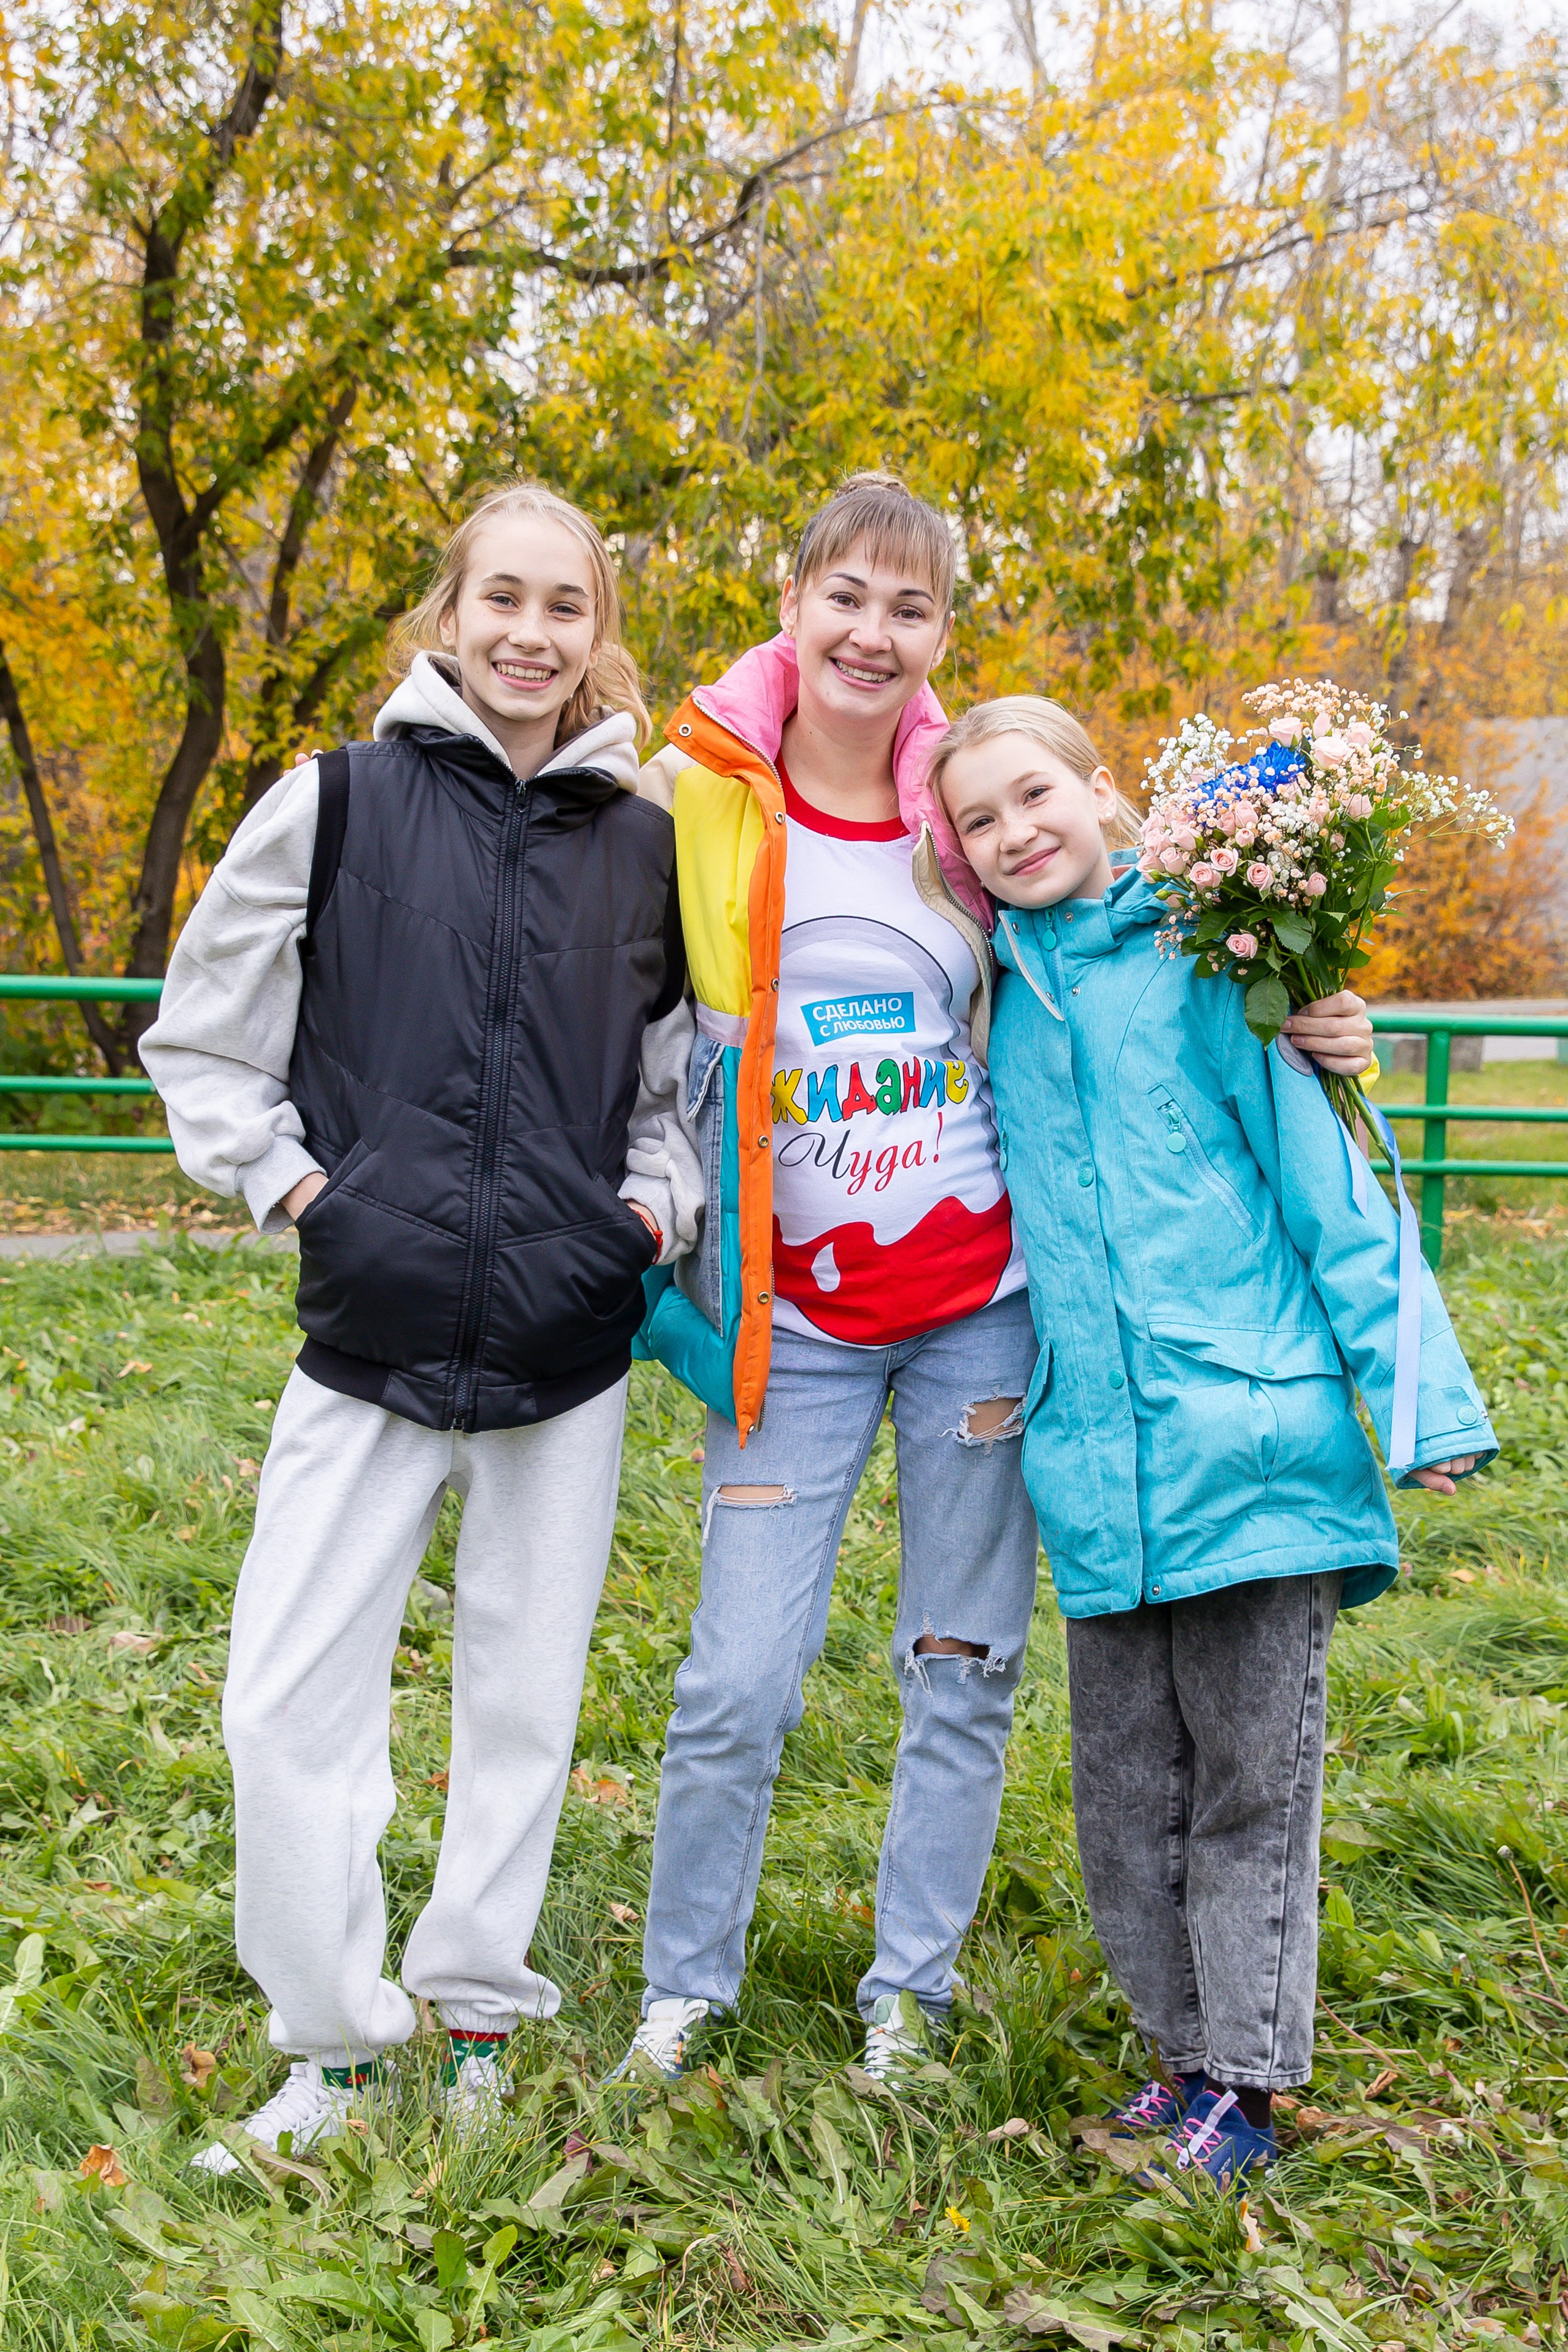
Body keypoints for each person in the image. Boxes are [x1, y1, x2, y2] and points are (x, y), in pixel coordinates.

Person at [613, 474, 1380, 2086]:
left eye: (910, 606)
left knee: (960, 1668)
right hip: (791, 1329)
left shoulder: (966, 817)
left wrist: (1314, 1005)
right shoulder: (697, 799)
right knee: (735, 1675)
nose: (872, 634)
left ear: (940, 630)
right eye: (847, 597)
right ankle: (683, 1987)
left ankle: (915, 1992)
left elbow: (1148, 944)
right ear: (795, 596)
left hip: (980, 1317)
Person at [141, 479, 701, 2167]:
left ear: (600, 636)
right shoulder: (334, 806)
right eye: (502, 600)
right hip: (369, 1331)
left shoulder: (649, 843)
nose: (532, 635)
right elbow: (206, 1045)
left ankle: (475, 2009)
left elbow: (675, 1094)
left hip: (565, 1345)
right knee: (283, 1700)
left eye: (567, 608)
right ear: (447, 615)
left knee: (521, 1697)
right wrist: (316, 1201)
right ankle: (333, 2043)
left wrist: (643, 1219)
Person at [930, 693, 1495, 2184]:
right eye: (978, 819)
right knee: (1124, 1789)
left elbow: (1330, 1192)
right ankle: (1178, 2053)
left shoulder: (1206, 964)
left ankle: (1243, 2081)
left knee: (1252, 1777)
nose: (1013, 833)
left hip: (1254, 1446)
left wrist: (1416, 1394)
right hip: (1100, 1470)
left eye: (1033, 793)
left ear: (1102, 791)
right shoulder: (992, 998)